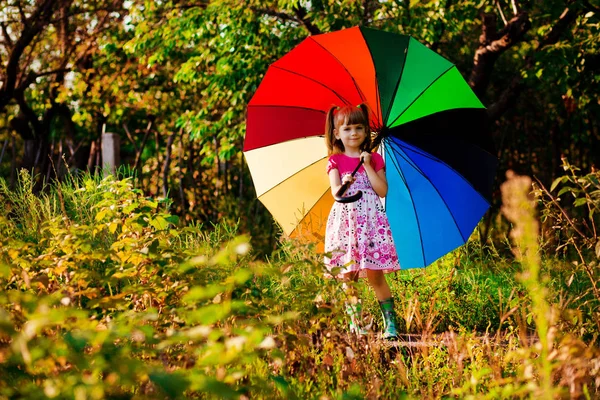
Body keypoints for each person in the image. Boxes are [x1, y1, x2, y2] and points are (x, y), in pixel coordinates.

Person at [323, 103, 401, 340]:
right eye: (347, 129)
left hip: (371, 223)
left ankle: (390, 325)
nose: (353, 133)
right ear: (337, 133)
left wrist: (367, 166)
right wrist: (345, 182)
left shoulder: (375, 159)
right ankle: (356, 324)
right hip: (345, 222)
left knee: (376, 273)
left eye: (359, 127)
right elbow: (336, 192)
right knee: (349, 275)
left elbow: (382, 190)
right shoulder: (335, 161)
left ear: (367, 132)